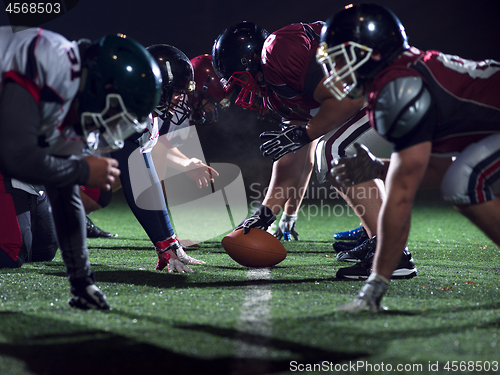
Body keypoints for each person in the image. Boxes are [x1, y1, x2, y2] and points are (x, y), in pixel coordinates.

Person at [317, 3, 500, 312]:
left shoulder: (399, 87)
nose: (335, 68)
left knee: (466, 179)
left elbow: (402, 194)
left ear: (373, 52)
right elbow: (439, 167)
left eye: (341, 56)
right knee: (461, 176)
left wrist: (375, 285)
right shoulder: (401, 77)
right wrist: (378, 167)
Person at [211, 22, 415, 279]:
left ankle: (392, 253)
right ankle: (380, 236)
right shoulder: (277, 93)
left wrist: (306, 133)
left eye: (240, 79)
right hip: (380, 94)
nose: (243, 91)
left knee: (336, 150)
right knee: (331, 149)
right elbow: (291, 164)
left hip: (399, 87)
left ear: (252, 58)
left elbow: (348, 98)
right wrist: (265, 215)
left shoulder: (278, 51)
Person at [0, 26, 162, 309]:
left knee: (43, 248)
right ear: (102, 88)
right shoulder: (44, 58)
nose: (113, 129)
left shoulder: (76, 96)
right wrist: (82, 170)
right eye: (115, 115)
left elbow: (65, 192)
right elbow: (13, 156)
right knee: (9, 251)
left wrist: (82, 281)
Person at [110, 46, 224, 273]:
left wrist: (167, 241)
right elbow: (140, 178)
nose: (180, 99)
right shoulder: (123, 111)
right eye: (176, 91)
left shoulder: (145, 116)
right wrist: (165, 242)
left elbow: (146, 173)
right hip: (45, 174)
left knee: (45, 247)